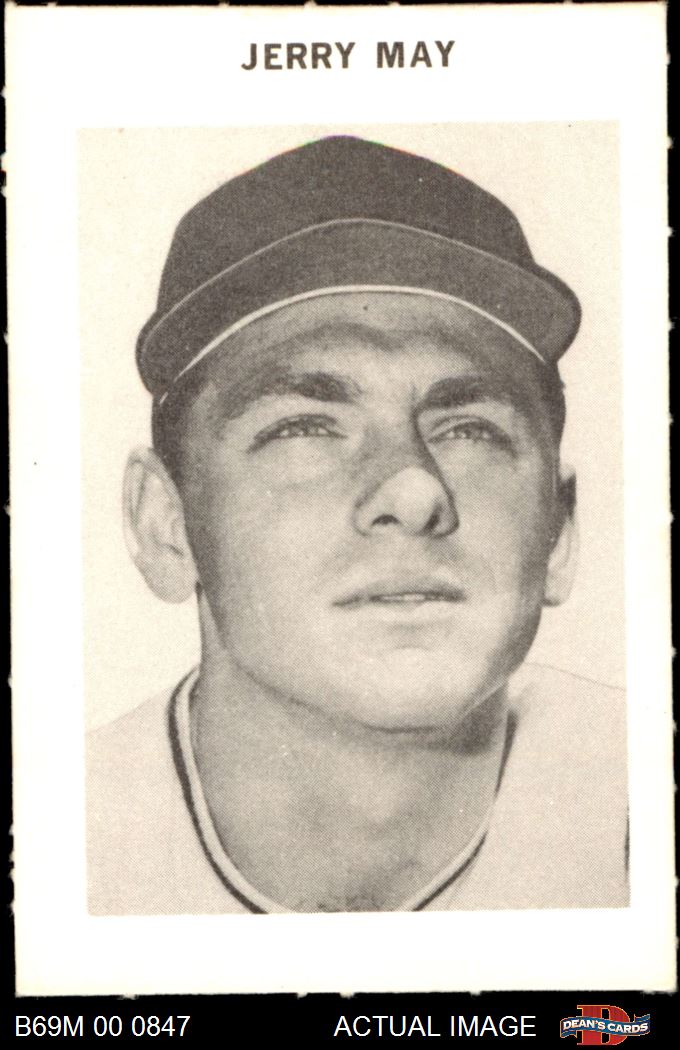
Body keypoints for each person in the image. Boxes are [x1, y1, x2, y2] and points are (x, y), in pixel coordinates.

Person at [87, 135, 628, 914]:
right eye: (305, 427)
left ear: (560, 531)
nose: (413, 489)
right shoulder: (54, 849)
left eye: (469, 428)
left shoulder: (644, 806)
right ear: (165, 525)